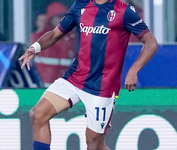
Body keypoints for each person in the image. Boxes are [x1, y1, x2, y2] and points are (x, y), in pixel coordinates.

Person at [19, 0, 158, 149]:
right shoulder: (81, 5)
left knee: (94, 144)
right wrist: (35, 47)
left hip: (102, 87)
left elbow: (151, 43)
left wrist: (133, 70)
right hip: (74, 78)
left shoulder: (124, 10)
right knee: (38, 114)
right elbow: (55, 34)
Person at [33, 2, 75, 87]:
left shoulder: (73, 38)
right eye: (59, 16)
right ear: (51, 18)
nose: (62, 19)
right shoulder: (40, 36)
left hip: (65, 85)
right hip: (43, 86)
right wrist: (40, 30)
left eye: (65, 16)